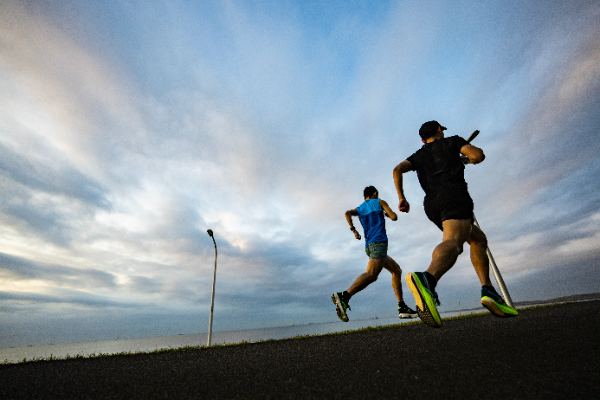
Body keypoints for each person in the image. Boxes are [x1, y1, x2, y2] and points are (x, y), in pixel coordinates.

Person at [392, 121, 518, 328]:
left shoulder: (419, 155)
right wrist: (467, 159)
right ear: (440, 130)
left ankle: (488, 290)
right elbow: (477, 156)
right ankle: (428, 279)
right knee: (454, 242)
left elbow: (397, 169)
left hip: (432, 204)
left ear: (423, 140)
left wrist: (401, 198)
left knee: (477, 239)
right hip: (453, 195)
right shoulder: (452, 142)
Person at [332, 186, 417, 322]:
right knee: (371, 275)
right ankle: (344, 296)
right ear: (375, 193)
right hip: (379, 243)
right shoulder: (380, 202)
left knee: (397, 271)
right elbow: (394, 217)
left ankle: (402, 307)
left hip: (369, 246)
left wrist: (354, 231)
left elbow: (347, 213)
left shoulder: (360, 208)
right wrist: (386, 213)